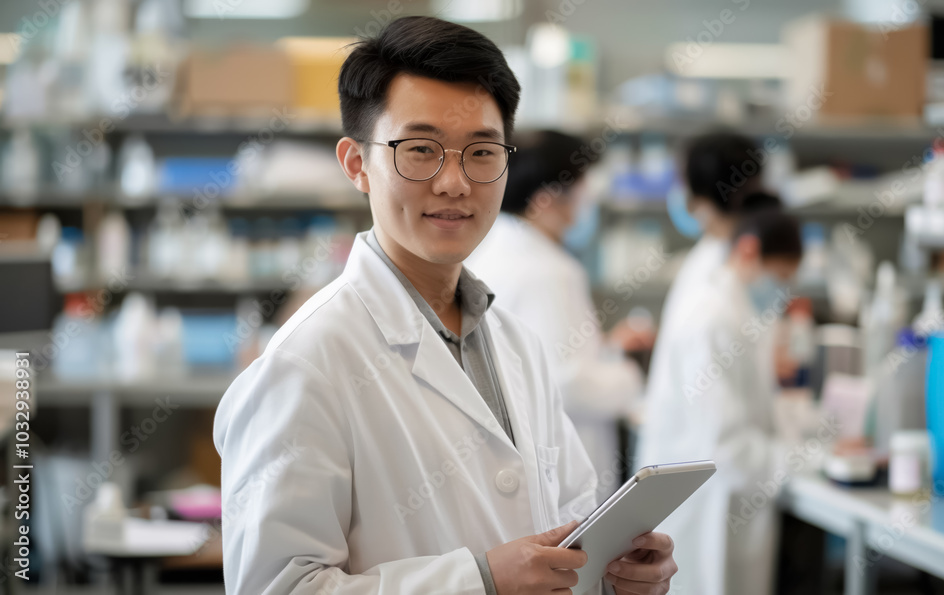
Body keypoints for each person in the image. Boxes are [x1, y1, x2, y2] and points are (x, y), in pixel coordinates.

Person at [213, 16, 677, 595]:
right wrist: (477, 581)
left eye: (482, 152)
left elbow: (568, 527)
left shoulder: (516, 344)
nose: (455, 182)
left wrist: (615, 574)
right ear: (357, 164)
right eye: (421, 149)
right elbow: (275, 587)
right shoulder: (305, 362)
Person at [466, 130, 647, 502]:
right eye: (582, 192)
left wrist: (606, 348)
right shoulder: (549, 271)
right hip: (561, 472)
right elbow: (569, 384)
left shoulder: (489, 253)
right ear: (547, 199)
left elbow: (539, 358)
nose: (587, 206)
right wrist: (631, 375)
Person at [635, 205, 802, 595]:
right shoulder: (712, 318)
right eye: (779, 278)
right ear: (748, 251)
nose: (780, 292)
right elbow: (725, 446)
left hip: (724, 506)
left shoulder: (735, 310)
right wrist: (802, 459)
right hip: (704, 512)